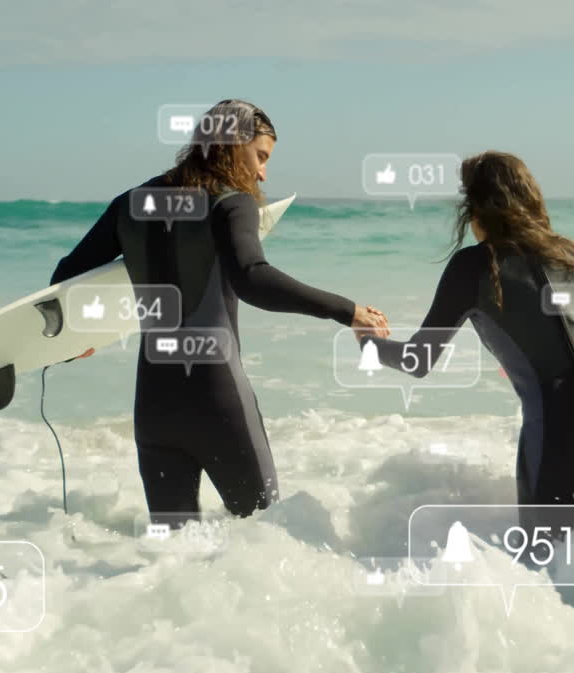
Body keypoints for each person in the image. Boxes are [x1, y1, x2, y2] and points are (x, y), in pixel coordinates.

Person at [50, 99, 389, 523]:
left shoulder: (129, 203)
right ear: (233, 145)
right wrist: (348, 311)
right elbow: (252, 277)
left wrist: (76, 342)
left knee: (170, 548)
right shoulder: (231, 201)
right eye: (260, 156)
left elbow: (66, 279)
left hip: (154, 408)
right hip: (218, 402)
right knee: (268, 533)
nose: (263, 173)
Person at [356, 151, 574, 515]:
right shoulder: (573, 256)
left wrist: (369, 343)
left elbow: (417, 361)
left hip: (558, 437)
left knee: (544, 552)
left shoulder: (472, 267)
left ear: (474, 209)